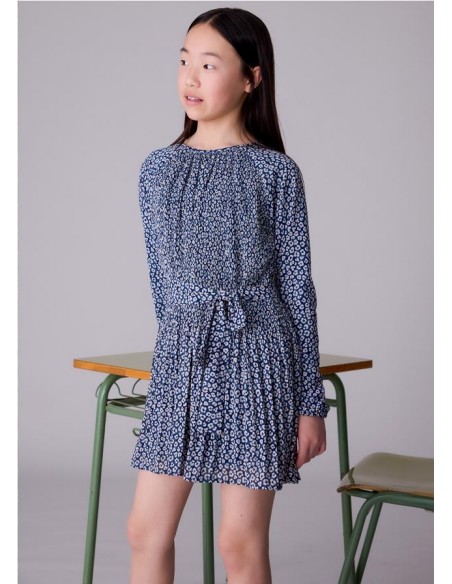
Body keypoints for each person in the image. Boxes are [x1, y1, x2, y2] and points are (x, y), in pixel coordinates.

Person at [128, 7, 329, 584]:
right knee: (145, 531)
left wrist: (309, 403)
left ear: (250, 78)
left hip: (257, 362)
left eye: (209, 65)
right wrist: (174, 357)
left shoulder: (275, 173)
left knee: (238, 543)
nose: (190, 77)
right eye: (184, 62)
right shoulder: (158, 170)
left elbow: (297, 289)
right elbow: (163, 285)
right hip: (183, 361)